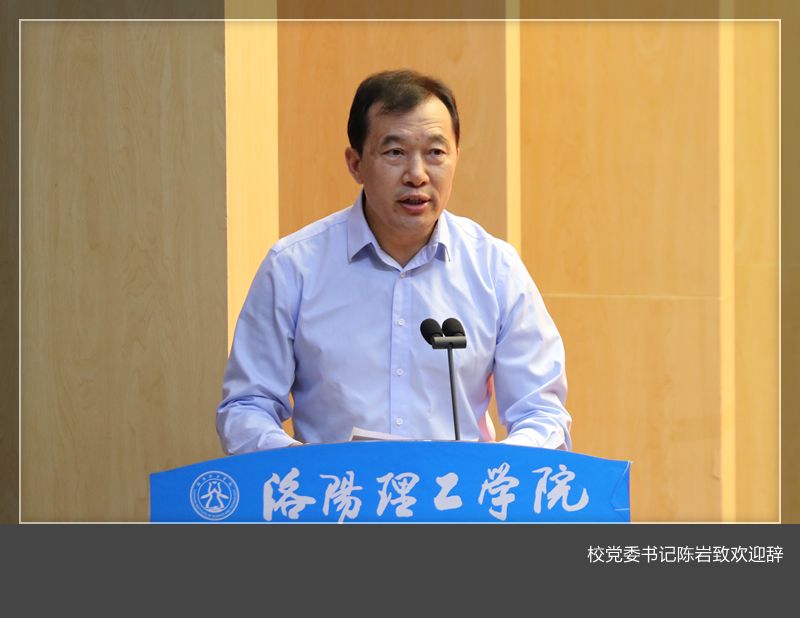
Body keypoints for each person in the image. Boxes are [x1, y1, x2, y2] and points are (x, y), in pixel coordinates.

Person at [217, 69, 571, 454]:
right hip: (336, 490)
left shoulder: (495, 269)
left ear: (456, 157)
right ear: (355, 164)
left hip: (456, 492)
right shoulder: (293, 268)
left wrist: (500, 469)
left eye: (435, 153)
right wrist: (303, 469)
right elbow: (246, 407)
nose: (417, 175)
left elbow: (542, 412)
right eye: (395, 152)